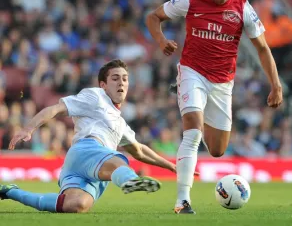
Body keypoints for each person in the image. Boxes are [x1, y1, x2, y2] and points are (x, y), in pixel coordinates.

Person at [146, 0, 283, 214]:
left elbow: (262, 48)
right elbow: (153, 16)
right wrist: (161, 39)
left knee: (218, 150)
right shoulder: (191, 0)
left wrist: (276, 85)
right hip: (192, 72)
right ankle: (182, 201)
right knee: (193, 132)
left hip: (222, 83)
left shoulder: (242, 7)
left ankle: (195, 104)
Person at [0, 59, 176, 213]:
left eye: (124, 79)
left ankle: (10, 192)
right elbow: (55, 109)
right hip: (87, 150)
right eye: (115, 79)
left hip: (87, 168)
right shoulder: (95, 96)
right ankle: (130, 180)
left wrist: (170, 165)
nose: (121, 82)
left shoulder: (121, 123)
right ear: (103, 85)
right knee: (119, 162)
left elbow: (140, 151)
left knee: (76, 205)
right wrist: (28, 128)